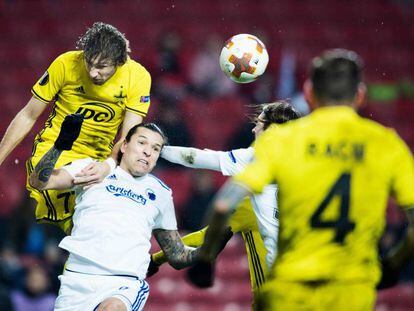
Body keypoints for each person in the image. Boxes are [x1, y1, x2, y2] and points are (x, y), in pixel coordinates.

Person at [189, 49, 414, 310]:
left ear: (308, 93)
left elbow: (223, 205)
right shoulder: (386, 144)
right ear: (360, 94)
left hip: (290, 288)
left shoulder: (282, 140)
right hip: (352, 290)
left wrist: (206, 259)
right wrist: (394, 264)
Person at [29, 115, 201, 311]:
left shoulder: (161, 192)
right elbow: (38, 182)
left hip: (123, 283)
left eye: (155, 149)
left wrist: (208, 250)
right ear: (124, 146)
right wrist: (60, 145)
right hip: (77, 280)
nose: (147, 152)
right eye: (142, 142)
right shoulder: (93, 169)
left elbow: (177, 255)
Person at [0, 22, 152, 234]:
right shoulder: (66, 63)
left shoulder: (138, 77)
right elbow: (28, 114)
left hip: (97, 157)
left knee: (89, 227)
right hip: (55, 147)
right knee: (40, 200)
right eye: (89, 63)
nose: (92, 72)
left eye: (101, 67)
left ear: (120, 62)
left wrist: (108, 165)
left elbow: (129, 137)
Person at [147, 101, 300, 304]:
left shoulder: (253, 162)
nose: (254, 129)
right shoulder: (312, 165)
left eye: (260, 124)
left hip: (277, 292)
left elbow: (196, 158)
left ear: (273, 131)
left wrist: (154, 148)